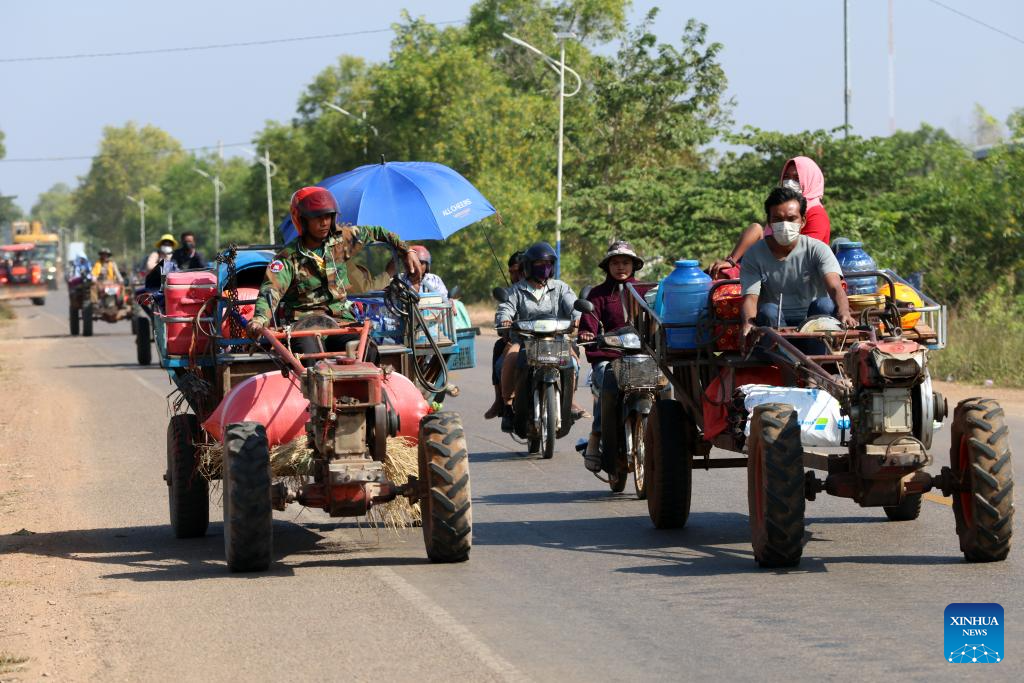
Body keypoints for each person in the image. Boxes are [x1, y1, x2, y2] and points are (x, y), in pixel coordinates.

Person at [246, 186, 419, 358]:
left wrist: (406, 250)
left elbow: (379, 232)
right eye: (317, 217)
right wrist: (259, 319)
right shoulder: (287, 258)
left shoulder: (341, 240)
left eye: (328, 216)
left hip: (341, 321)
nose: (324, 222)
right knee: (309, 358)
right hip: (304, 326)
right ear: (302, 220)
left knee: (367, 350)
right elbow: (271, 291)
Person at [739, 187, 856, 343]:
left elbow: (835, 287)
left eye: (791, 219)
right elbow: (750, 298)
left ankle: (814, 351)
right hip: (775, 323)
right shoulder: (754, 254)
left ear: (803, 221)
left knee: (825, 305)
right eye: (778, 219)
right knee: (768, 310)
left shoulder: (818, 249)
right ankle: (784, 352)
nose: (784, 225)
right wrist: (748, 322)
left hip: (813, 322)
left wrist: (844, 312)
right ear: (769, 222)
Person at [577, 241, 651, 472]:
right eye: (616, 262)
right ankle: (596, 436)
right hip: (608, 356)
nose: (621, 267)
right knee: (607, 384)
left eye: (625, 262)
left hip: (641, 356)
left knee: (666, 385)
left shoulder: (645, 291)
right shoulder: (597, 294)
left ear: (634, 265)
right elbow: (588, 325)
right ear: (607, 266)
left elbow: (658, 319)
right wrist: (587, 333)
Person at [495, 242, 580, 433]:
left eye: (548, 264)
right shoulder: (516, 290)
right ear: (528, 266)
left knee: (573, 362)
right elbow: (505, 308)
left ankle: (569, 401)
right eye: (539, 264)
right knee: (511, 358)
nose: (544, 268)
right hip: (524, 341)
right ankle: (508, 405)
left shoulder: (560, 287)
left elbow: (574, 306)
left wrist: (578, 319)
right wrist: (505, 320)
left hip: (557, 340)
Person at [710, 156, 831, 279]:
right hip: (766, 259)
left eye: (796, 178)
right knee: (755, 229)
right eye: (786, 177)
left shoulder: (816, 213)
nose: (789, 182)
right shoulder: (780, 208)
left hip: (793, 269)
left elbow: (805, 252)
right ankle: (731, 263)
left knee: (724, 276)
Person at [484, 250, 526, 419]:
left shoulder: (547, 288)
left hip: (544, 339)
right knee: (499, 349)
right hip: (518, 340)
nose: (515, 276)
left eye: (519, 272)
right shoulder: (511, 293)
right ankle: (501, 400)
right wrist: (505, 324)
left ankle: (569, 401)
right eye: (512, 272)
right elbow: (502, 314)